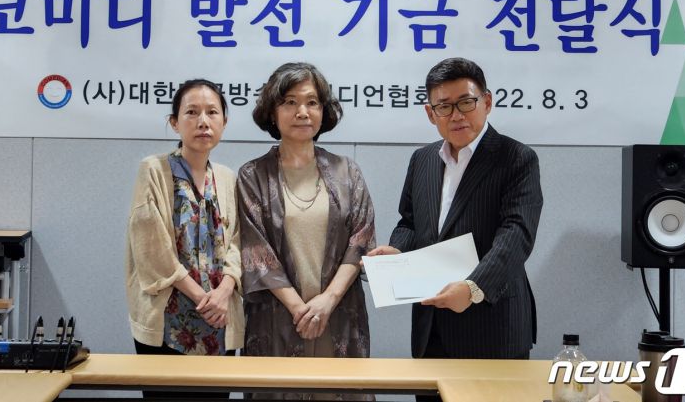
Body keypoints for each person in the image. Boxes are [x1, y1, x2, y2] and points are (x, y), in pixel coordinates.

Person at [368, 58, 543, 386]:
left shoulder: (516, 158)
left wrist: (474, 288)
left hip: (492, 326)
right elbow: (410, 222)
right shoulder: (422, 159)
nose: (457, 115)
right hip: (430, 328)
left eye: (466, 102)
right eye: (444, 106)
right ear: (430, 113)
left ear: (487, 102)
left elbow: (516, 234)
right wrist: (398, 251)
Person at [237, 62, 375, 364]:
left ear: (323, 111)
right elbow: (256, 252)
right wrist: (300, 310)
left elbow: (361, 241)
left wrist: (328, 301)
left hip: (339, 315)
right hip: (276, 317)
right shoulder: (253, 175)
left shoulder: (347, 172)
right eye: (290, 102)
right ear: (272, 112)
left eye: (312, 102)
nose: (302, 112)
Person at [125, 79, 243, 399]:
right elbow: (151, 248)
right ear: (175, 122)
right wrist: (204, 299)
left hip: (219, 319)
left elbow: (238, 241)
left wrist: (224, 291)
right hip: (168, 321)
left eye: (212, 112)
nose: (203, 121)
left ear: (224, 122)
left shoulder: (228, 178)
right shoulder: (153, 170)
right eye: (192, 112)